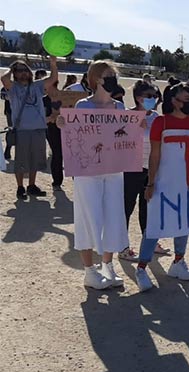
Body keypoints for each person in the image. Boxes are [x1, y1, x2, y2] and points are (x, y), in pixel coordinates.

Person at [63, 60, 130, 289]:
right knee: (88, 216)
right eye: (107, 75)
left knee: (113, 217)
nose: (112, 78)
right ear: (96, 79)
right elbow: (74, 135)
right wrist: (64, 124)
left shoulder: (120, 107)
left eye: (114, 74)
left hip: (113, 171)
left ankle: (107, 266)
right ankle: (89, 271)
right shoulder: (83, 106)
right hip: (87, 171)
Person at [135, 83, 189, 291]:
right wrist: (151, 183)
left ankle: (178, 262)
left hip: (188, 182)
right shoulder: (161, 123)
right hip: (164, 182)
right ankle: (142, 267)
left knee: (184, 224)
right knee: (155, 224)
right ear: (174, 101)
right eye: (185, 99)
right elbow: (155, 155)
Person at [119, 81, 167, 262]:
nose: (154, 100)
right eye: (150, 96)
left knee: (148, 209)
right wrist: (131, 129)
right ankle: (122, 246)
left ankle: (150, 243)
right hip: (129, 169)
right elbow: (114, 139)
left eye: (155, 96)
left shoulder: (156, 117)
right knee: (126, 208)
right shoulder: (126, 116)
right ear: (138, 98)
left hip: (151, 170)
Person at [1, 57, 59, 199]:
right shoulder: (13, 88)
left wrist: (53, 64)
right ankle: (20, 187)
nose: (23, 73)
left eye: (25, 70)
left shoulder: (37, 86)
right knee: (21, 160)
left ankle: (31, 185)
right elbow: (3, 78)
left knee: (36, 159)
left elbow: (53, 78)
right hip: (22, 129)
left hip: (38, 128)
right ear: (15, 73)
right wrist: (12, 66)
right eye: (19, 71)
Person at [43, 74, 64, 192]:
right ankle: (57, 182)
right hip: (51, 130)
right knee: (57, 154)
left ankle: (76, 180)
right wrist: (50, 118)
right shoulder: (43, 100)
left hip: (67, 129)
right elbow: (40, 118)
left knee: (71, 154)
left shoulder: (65, 97)